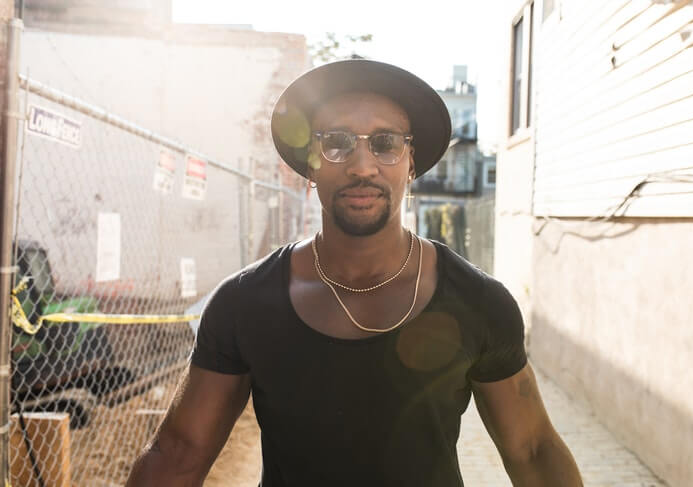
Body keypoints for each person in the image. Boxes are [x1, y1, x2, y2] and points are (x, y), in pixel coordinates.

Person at [126, 59, 583, 487]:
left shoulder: (480, 302)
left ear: (410, 163)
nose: (362, 166)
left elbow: (532, 447)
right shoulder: (244, 304)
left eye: (385, 143)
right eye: (337, 142)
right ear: (311, 163)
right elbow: (179, 452)